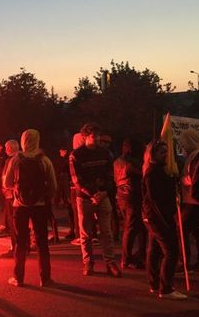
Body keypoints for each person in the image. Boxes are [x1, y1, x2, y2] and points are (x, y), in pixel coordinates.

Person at [4, 129, 57, 287]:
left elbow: (6, 183)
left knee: (20, 242)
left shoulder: (15, 159)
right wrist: (47, 197)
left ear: (23, 141)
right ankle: (45, 279)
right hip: (39, 205)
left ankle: (18, 278)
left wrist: (15, 190)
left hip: (19, 206)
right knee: (42, 243)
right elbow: (53, 185)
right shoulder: (44, 160)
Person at [69, 123, 122, 277]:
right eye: (94, 136)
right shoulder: (76, 155)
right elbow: (77, 180)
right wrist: (92, 194)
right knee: (86, 233)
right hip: (85, 198)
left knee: (106, 231)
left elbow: (111, 176)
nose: (97, 139)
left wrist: (104, 193)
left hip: (103, 195)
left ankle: (110, 262)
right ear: (85, 137)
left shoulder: (106, 153)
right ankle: (88, 262)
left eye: (98, 135)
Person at [142, 141, 187, 299]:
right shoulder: (152, 173)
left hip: (153, 216)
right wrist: (167, 220)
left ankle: (154, 284)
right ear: (153, 155)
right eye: (162, 153)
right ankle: (166, 288)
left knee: (154, 250)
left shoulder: (158, 171)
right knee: (171, 251)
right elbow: (156, 200)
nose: (166, 156)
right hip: (158, 217)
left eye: (166, 153)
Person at [114, 138, 146, 269]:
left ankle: (135, 255)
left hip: (123, 196)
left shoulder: (117, 161)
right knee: (131, 227)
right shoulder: (131, 163)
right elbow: (144, 173)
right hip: (132, 196)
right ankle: (126, 259)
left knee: (134, 227)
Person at [178, 129, 199, 271]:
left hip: (193, 200)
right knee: (197, 231)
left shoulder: (198, 155)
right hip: (192, 200)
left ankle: (184, 261)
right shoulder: (193, 155)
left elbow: (195, 179)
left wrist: (182, 179)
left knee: (181, 229)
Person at [1, 139, 20, 257]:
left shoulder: (10, 160)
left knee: (13, 223)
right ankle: (24, 246)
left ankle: (15, 248)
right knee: (20, 222)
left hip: (11, 195)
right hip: (20, 195)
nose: (5, 150)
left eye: (6, 147)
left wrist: (5, 188)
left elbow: (6, 179)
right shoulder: (22, 158)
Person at [53, 146, 75, 240]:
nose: (63, 152)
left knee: (71, 210)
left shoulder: (68, 159)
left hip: (67, 186)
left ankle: (73, 231)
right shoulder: (59, 160)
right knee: (69, 210)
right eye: (62, 150)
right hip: (63, 185)